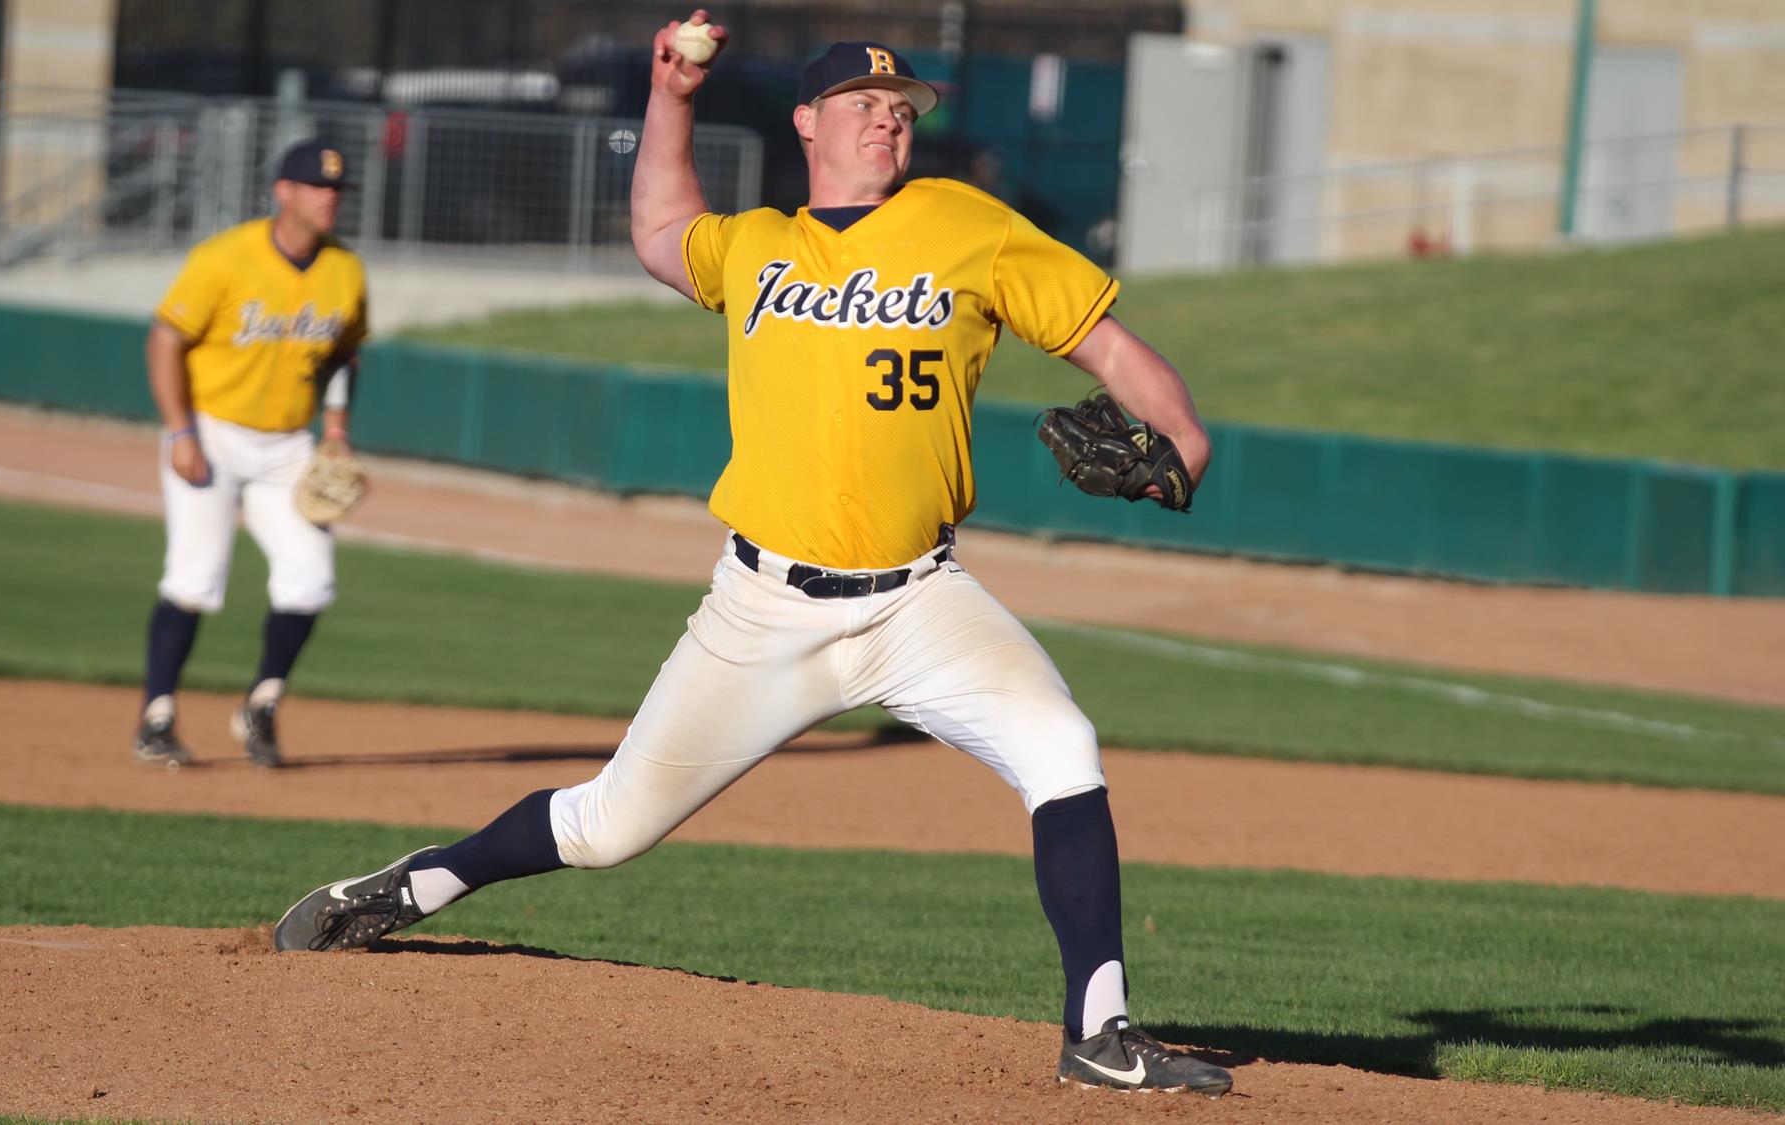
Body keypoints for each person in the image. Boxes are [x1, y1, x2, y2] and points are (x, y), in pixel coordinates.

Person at [274, 14, 1231, 1097]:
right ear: (806, 122)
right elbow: (659, 228)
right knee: (604, 828)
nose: (887, 119)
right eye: (864, 105)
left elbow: (1103, 341)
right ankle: (416, 886)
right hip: (761, 609)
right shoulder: (758, 247)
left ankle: (1097, 1034)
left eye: (901, 108)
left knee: (1061, 747)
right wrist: (671, 96)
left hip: (919, 602)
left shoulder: (969, 227)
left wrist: (1182, 431)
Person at [132, 139, 369, 769]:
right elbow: (165, 341)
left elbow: (346, 353)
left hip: (289, 445)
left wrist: (337, 427)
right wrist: (180, 432)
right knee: (194, 576)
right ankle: (156, 717)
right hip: (211, 433)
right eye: (317, 187)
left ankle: (261, 705)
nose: (330, 198)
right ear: (283, 192)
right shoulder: (225, 258)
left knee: (310, 578)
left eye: (337, 190)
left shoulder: (345, 269)